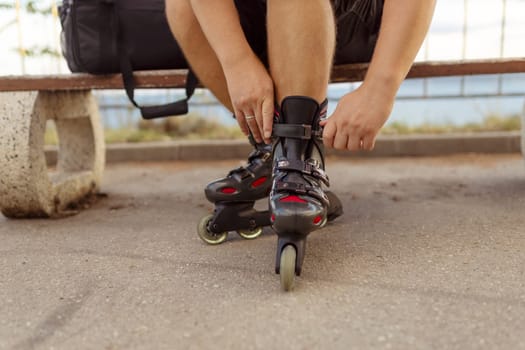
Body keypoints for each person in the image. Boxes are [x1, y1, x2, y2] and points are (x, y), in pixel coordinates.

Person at [166, 0, 436, 289]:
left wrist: (381, 89)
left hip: (360, 18)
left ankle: (300, 159)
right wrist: (237, 61)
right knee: (180, 5)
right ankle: (278, 152)